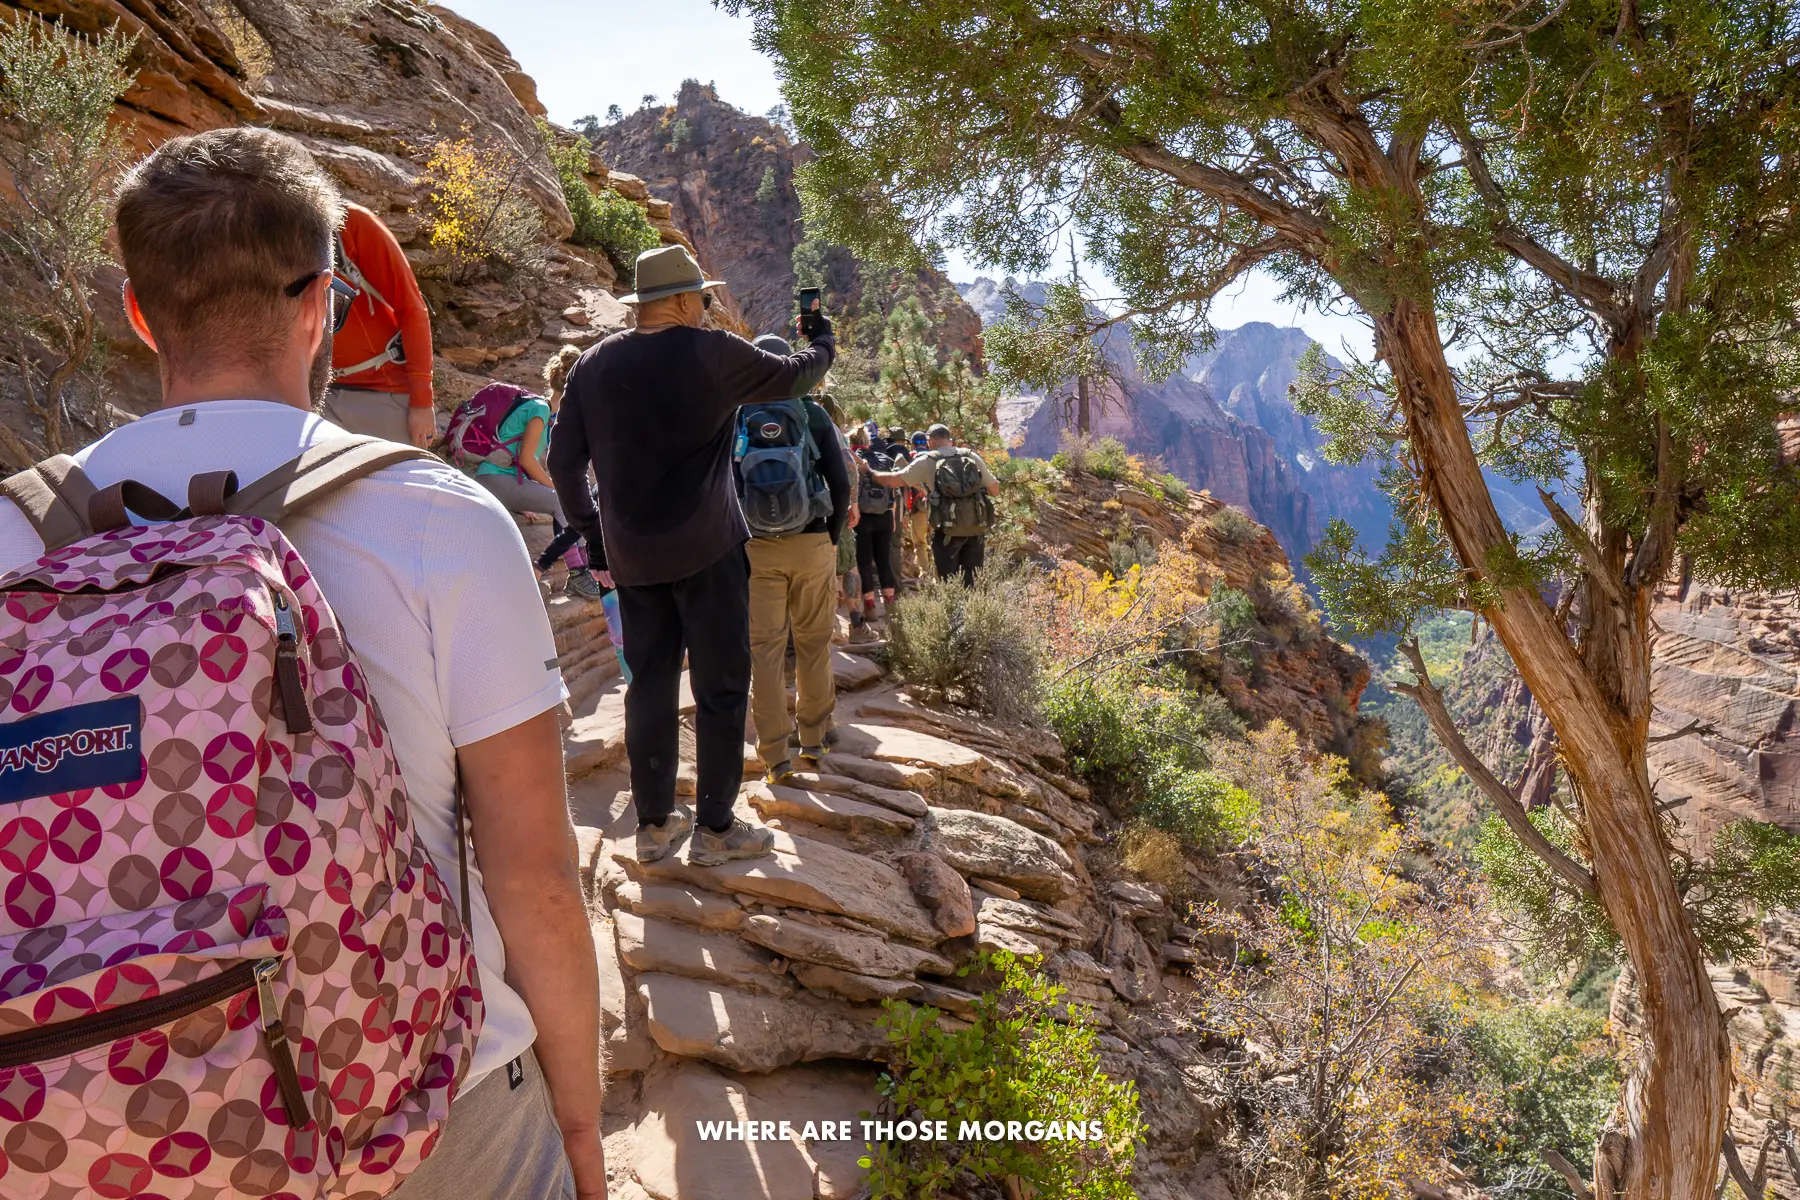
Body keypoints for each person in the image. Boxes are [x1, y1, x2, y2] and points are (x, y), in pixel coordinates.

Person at [0, 129, 603, 1198]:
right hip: (417, 1107)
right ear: (321, 302)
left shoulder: (15, 537)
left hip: (93, 1121)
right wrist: (581, 1131)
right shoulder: (436, 518)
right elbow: (536, 879)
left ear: (140, 312)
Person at [549, 245, 835, 867]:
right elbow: (799, 378)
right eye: (701, 298)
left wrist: (593, 534)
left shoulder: (593, 365)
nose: (705, 307)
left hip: (633, 555)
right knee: (720, 688)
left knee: (649, 684)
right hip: (709, 547)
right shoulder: (712, 353)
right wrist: (822, 338)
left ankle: (653, 826)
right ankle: (716, 829)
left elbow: (562, 461)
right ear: (679, 300)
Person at [741, 334, 853, 782]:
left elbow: (724, 485)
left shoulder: (736, 413)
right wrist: (832, 537)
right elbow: (841, 483)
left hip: (756, 549)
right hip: (811, 541)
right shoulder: (811, 412)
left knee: (764, 651)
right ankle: (814, 738)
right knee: (813, 642)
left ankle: (773, 755)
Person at [465, 346, 605, 600]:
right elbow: (527, 460)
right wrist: (554, 487)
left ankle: (581, 567)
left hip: (504, 480)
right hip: (493, 479)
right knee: (560, 500)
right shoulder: (540, 410)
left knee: (562, 500)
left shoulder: (549, 417)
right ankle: (578, 571)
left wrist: (527, 497)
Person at [321, 201, 437, 447]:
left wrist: (422, 402)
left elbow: (412, 308)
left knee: (400, 485)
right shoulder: (268, 235)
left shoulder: (351, 223)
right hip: (321, 396)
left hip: (384, 393)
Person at [871, 422, 1001, 586]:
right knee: (973, 581)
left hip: (946, 530)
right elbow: (994, 489)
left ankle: (952, 610)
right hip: (975, 528)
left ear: (930, 441)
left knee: (948, 582)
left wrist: (870, 472)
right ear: (950, 440)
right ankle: (972, 610)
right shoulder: (971, 456)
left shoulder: (928, 460)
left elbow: (893, 481)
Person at [849, 425, 900, 622]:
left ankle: (870, 608)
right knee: (884, 561)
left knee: (864, 563)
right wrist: (893, 517)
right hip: (885, 516)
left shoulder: (853, 460)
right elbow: (893, 491)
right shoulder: (884, 459)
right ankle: (890, 607)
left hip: (862, 517)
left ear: (852, 443)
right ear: (868, 442)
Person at [899, 428, 932, 583]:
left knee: (920, 542)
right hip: (938, 506)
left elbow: (906, 485)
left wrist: (905, 511)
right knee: (937, 540)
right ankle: (940, 574)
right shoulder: (934, 457)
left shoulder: (911, 457)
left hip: (919, 508)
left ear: (912, 444)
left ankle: (925, 574)